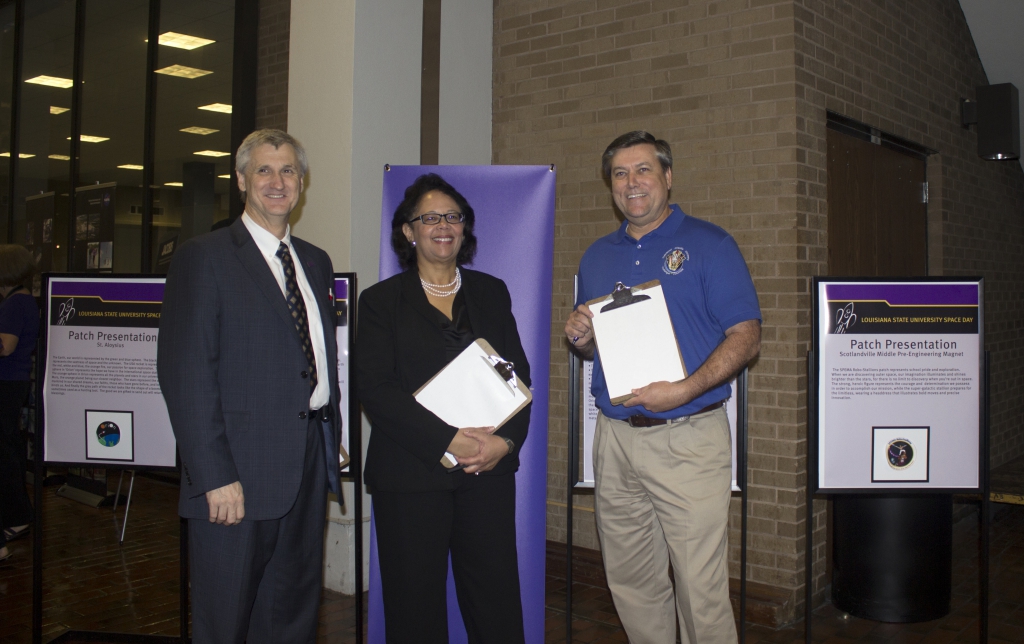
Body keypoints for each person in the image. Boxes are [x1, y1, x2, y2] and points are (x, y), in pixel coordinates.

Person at [565, 131, 761, 644]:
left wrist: (684, 389)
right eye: (620, 174)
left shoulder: (710, 244)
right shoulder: (596, 257)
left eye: (643, 170)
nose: (632, 184)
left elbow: (747, 336)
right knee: (632, 582)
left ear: (667, 177)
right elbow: (597, 351)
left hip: (688, 439)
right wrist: (583, 339)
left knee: (700, 589)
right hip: (615, 440)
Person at [157, 129, 341, 643]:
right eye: (264, 170)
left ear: (301, 183)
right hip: (234, 476)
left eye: (288, 171)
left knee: (291, 613)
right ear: (241, 180)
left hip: (305, 466)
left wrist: (327, 430)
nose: (277, 182)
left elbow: (311, 359)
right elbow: (184, 372)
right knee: (226, 618)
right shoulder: (205, 258)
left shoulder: (315, 260)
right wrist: (214, 474)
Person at [358, 173, 531, 644]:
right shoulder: (379, 303)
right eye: (429, 217)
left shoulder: (491, 291)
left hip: (485, 474)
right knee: (414, 609)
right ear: (408, 231)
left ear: (465, 229)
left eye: (453, 216)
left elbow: (518, 380)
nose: (443, 225)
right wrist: (448, 440)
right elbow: (376, 391)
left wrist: (505, 442)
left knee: (495, 603)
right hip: (410, 477)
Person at [0, 245, 39, 563]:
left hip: (7, 384)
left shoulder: (16, 303)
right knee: (8, 450)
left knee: (6, 452)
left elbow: (5, 346)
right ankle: (18, 513)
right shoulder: (19, 300)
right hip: (12, 383)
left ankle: (16, 516)